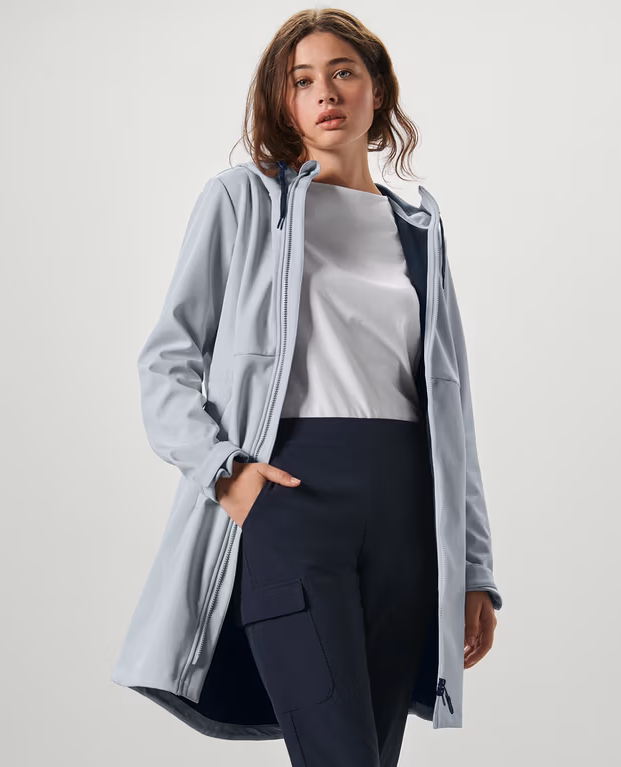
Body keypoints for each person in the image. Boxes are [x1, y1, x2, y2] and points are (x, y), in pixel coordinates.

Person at [111, 8, 502, 766]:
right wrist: (225, 474)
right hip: (292, 504)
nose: (325, 92)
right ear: (283, 102)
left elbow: (453, 413)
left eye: (343, 72)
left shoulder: (420, 231)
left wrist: (474, 566)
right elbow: (166, 360)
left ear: (377, 89)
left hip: (407, 521)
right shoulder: (241, 201)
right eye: (302, 80)